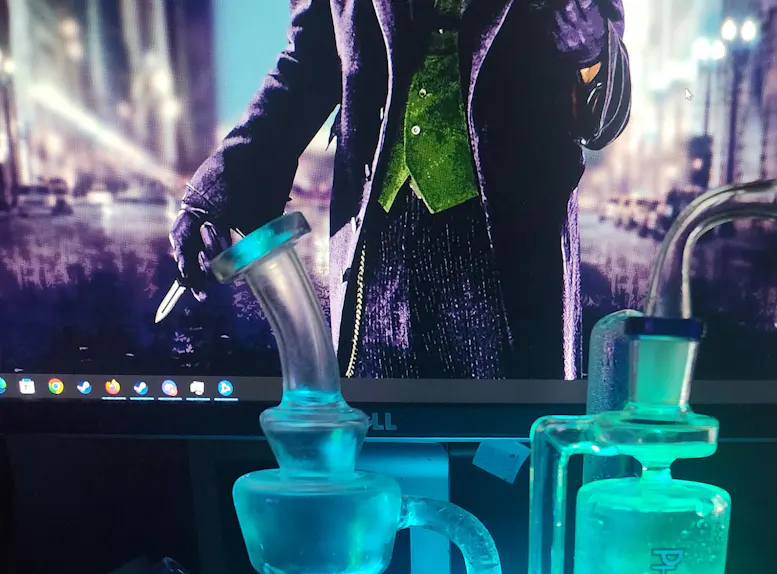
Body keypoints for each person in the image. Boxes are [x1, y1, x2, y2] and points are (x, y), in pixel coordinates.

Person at [170, 0, 630, 381]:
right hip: (376, 240)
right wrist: (217, 193)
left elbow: (604, 110)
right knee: (374, 440)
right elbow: (307, 65)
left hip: (507, 247)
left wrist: (592, 54)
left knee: (504, 445)